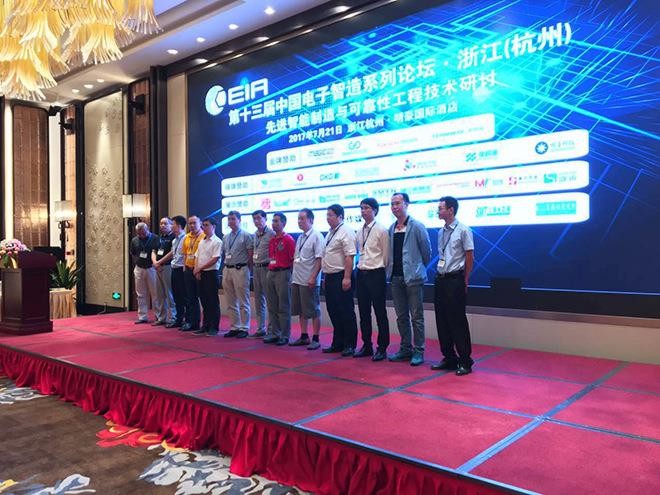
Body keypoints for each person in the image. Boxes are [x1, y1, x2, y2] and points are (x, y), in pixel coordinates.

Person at [387, 192, 431, 366]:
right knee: (401, 316)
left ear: (406, 204)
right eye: (392, 204)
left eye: (397, 203)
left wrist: (417, 268)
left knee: (416, 317)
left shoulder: (417, 226)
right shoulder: (391, 228)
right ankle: (405, 349)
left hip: (413, 278)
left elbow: (426, 252)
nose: (394, 207)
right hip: (396, 277)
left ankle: (419, 351)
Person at [432, 196, 475, 376]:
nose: (438, 211)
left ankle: (465, 360)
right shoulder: (441, 232)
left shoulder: (463, 230)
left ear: (451, 210)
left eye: (441, 208)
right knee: (441, 320)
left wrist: (465, 279)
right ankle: (449, 357)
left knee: (457, 320)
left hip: (455, 279)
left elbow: (469, 256)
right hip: (441, 278)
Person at [355, 198, 390, 361]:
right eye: (361, 208)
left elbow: (386, 256)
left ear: (375, 210)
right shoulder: (359, 231)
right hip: (361, 273)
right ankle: (367, 345)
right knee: (363, 313)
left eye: (366, 208)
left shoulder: (381, 230)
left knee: (380, 312)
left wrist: (381, 272)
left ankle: (382, 348)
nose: (363, 211)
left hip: (376, 274)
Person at [321, 204, 358, 357]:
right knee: (333, 310)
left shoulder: (346, 231)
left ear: (340, 217)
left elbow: (350, 256)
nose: (328, 218)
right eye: (327, 215)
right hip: (330, 276)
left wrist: (347, 277)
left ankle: (349, 344)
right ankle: (338, 342)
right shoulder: (330, 233)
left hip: (342, 276)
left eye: (331, 215)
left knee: (345, 311)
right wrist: (325, 276)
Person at [289, 208, 324, 350]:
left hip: (309, 280)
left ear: (311, 220)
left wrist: (313, 277)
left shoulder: (317, 236)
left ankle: (316, 338)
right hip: (297, 279)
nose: (299, 221)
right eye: (298, 218)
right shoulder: (301, 237)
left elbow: (319, 259)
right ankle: (304, 336)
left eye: (302, 218)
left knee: (314, 310)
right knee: (300, 310)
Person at [263, 212, 295, 345]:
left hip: (283, 273)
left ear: (284, 223)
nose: (273, 224)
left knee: (283, 305)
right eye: (273, 221)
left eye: (276, 221)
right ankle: (275, 333)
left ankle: (284, 334)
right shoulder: (272, 240)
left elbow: (292, 260)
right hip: (271, 272)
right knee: (272, 305)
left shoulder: (288, 239)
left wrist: (291, 277)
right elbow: (272, 257)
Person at [221, 211, 254, 338]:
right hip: (227, 269)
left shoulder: (246, 235)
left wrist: (248, 270)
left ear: (239, 220)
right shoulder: (226, 237)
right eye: (229, 219)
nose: (230, 221)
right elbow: (225, 253)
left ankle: (244, 327)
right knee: (230, 300)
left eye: (233, 219)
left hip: (241, 269)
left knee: (243, 300)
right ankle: (235, 326)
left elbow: (250, 255)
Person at [193, 217, 223, 336]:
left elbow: (215, 259)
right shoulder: (202, 241)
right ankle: (205, 325)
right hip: (201, 273)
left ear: (213, 226)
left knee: (213, 301)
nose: (203, 227)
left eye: (206, 225)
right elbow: (197, 256)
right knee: (204, 301)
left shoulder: (217, 241)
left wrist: (199, 268)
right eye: (203, 225)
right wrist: (196, 270)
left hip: (211, 273)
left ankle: (214, 327)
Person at [129, 222, 161, 324]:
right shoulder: (134, 240)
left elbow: (159, 252)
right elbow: (133, 253)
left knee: (155, 293)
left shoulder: (155, 238)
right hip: (139, 268)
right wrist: (137, 262)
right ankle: (142, 316)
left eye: (143, 233)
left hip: (152, 268)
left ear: (147, 229)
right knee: (140, 294)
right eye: (139, 233)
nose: (141, 235)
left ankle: (158, 316)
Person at [251, 210, 275, 338]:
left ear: (265, 219)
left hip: (267, 268)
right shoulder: (254, 234)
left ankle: (271, 329)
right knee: (258, 299)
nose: (257, 221)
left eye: (259, 218)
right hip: (256, 268)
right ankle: (261, 328)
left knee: (270, 299)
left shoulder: (271, 233)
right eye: (254, 219)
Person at [180, 216, 205, 331]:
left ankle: (205, 324)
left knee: (203, 298)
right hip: (188, 269)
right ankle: (193, 322)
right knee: (191, 298)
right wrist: (185, 267)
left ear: (200, 223)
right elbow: (185, 253)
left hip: (199, 270)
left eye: (194, 223)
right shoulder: (186, 237)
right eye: (190, 223)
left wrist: (198, 269)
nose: (192, 225)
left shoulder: (204, 236)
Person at [151, 217, 176, 326]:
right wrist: (155, 262)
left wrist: (159, 262)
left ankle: (173, 317)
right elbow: (153, 251)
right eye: (161, 223)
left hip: (168, 267)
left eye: (165, 223)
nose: (163, 225)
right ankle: (161, 317)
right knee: (159, 294)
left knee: (169, 293)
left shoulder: (173, 237)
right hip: (157, 268)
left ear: (171, 225)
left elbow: (172, 253)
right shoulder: (159, 238)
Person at [165, 215, 187, 328]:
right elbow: (174, 254)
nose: (171, 226)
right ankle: (179, 319)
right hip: (174, 269)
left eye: (172, 224)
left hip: (182, 269)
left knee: (184, 296)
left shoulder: (186, 238)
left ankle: (187, 319)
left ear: (179, 226)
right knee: (176, 295)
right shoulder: (174, 240)